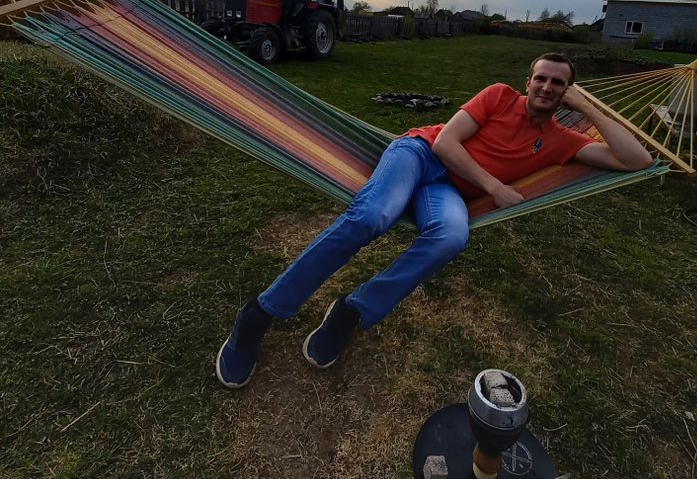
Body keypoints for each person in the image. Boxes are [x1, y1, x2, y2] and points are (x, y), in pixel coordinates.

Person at [215, 52, 652, 388]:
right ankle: (260, 314)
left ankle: (350, 312)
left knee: (451, 237)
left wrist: (590, 110)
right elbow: (445, 143)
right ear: (527, 81)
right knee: (372, 216)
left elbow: (637, 160)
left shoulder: (563, 140)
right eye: (540, 77)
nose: (546, 86)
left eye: (558, 83)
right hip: (420, 155)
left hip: (445, 192)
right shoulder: (499, 95)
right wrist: (494, 186)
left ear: (568, 93)